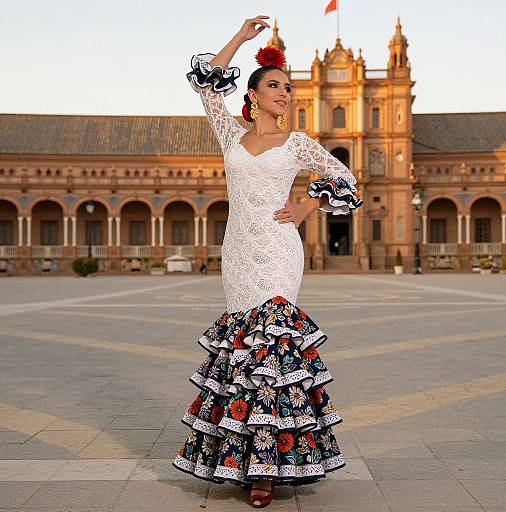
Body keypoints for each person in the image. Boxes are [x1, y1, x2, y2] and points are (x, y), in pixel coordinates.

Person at [173, 15, 363, 508]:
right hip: (237, 251)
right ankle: (241, 458)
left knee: (273, 351)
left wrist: (307, 206)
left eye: (289, 87)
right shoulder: (230, 136)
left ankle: (268, 472)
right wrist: (239, 38)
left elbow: (345, 177)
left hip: (279, 249)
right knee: (243, 355)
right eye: (275, 85)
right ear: (253, 95)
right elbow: (205, 85)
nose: (285, 93)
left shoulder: (298, 143)